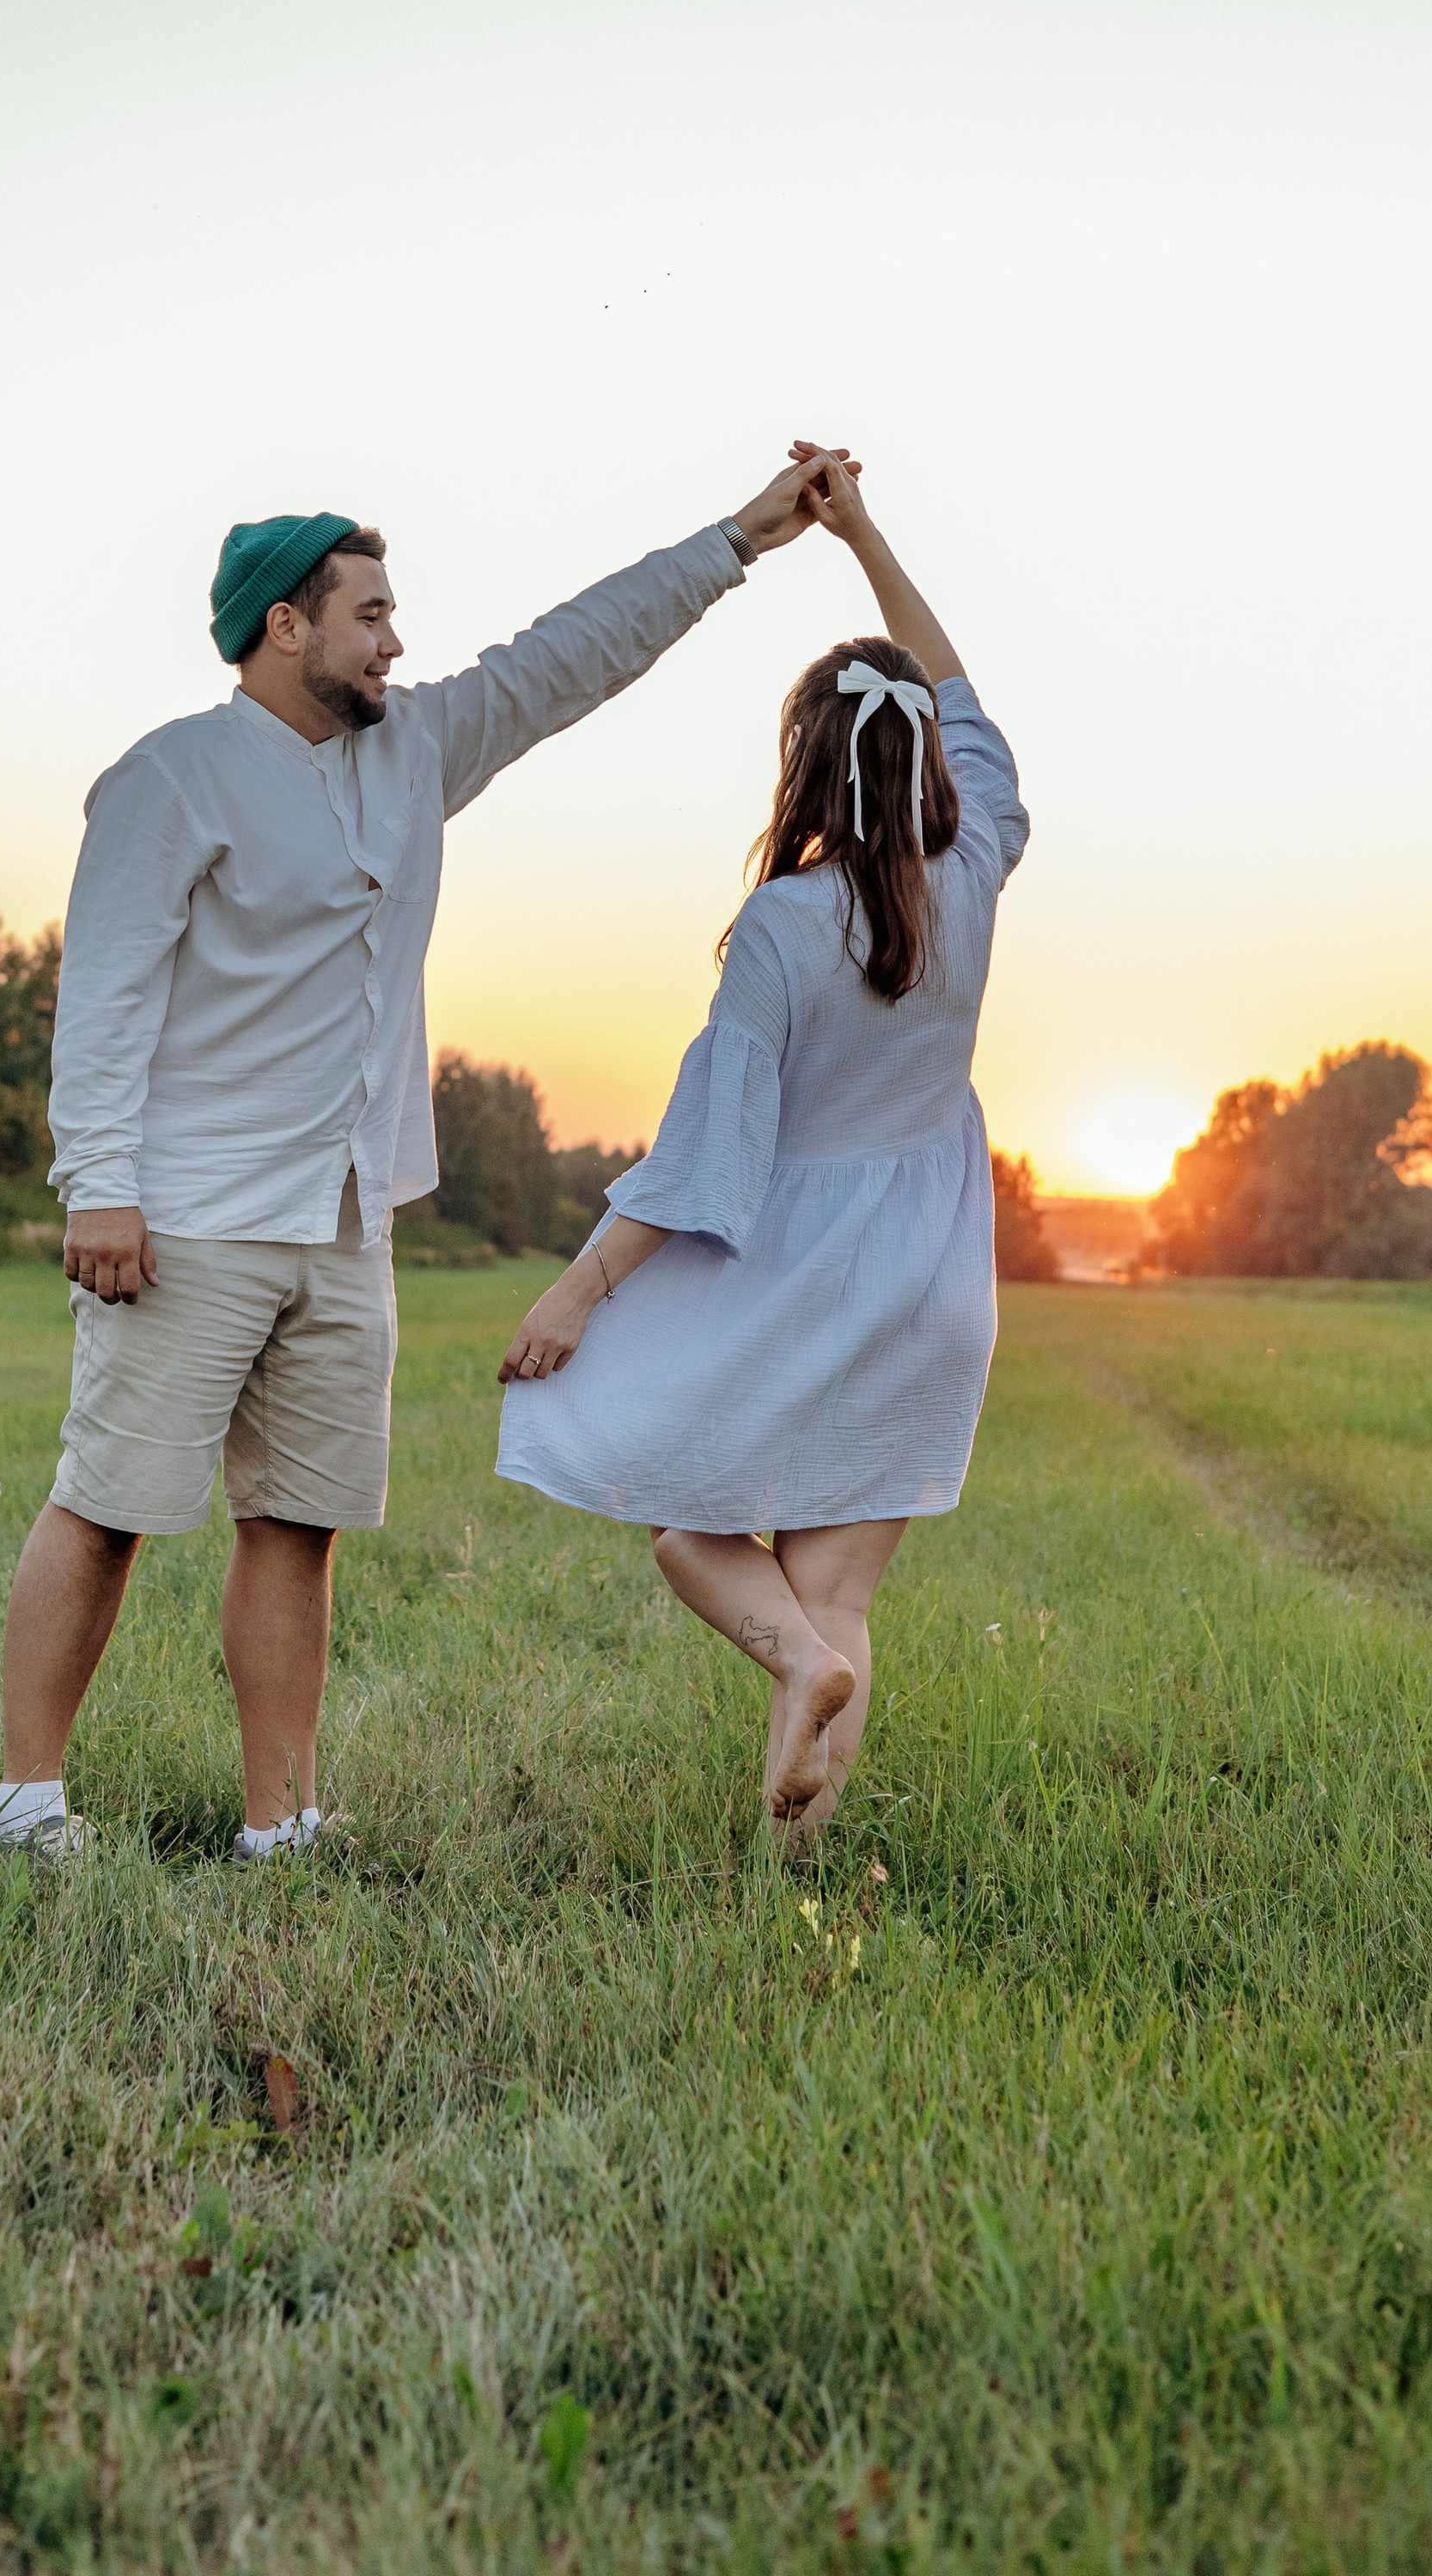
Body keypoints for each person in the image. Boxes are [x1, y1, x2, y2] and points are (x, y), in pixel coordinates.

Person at [0, 448, 855, 1863]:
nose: (399, 638)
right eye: (372, 614)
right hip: (190, 1212)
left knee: (299, 1524)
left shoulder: (417, 749)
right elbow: (102, 1004)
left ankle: (283, 1824)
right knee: (108, 1508)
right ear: (288, 625)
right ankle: (30, 1809)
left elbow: (577, 652)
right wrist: (100, 1185)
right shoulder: (169, 781)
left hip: (348, 1212)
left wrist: (746, 536)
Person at [496, 454, 1028, 1838]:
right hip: (936, 1287)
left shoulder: (785, 927)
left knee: (686, 1520)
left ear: (805, 767)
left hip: (804, 1271)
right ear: (923, 755)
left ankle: (797, 1664)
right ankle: (797, 1870)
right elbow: (959, 691)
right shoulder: (975, 877)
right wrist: (867, 536)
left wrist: (583, 1287)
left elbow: (705, 1154)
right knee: (837, 1585)